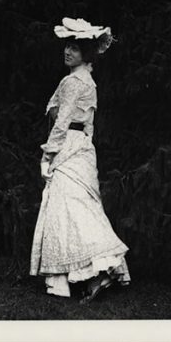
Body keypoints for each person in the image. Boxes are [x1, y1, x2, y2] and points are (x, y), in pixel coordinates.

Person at [30, 17, 130, 302]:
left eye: (74, 48)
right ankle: (90, 274)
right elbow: (89, 125)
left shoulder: (73, 81)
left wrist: (48, 155)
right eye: (66, 47)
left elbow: (61, 121)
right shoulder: (88, 80)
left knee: (67, 209)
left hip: (69, 146)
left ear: (85, 53)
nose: (67, 52)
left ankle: (89, 271)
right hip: (83, 147)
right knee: (78, 208)